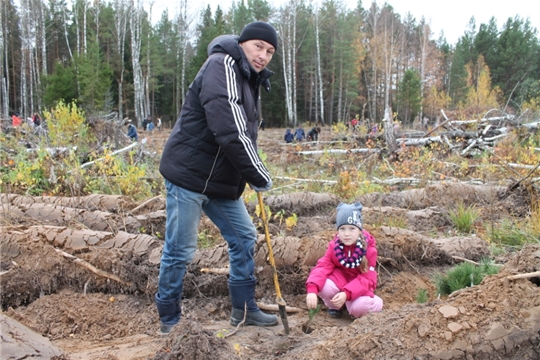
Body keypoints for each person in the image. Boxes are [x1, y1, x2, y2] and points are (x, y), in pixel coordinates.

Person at [157, 21, 279, 335]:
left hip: (220, 181)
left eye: (269, 51)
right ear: (242, 43)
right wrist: (257, 174)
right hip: (188, 174)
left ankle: (244, 309)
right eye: (258, 47)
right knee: (180, 249)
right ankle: (169, 319)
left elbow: (246, 134)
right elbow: (231, 130)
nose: (263, 56)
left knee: (244, 237)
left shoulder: (250, 78)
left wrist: (247, 173)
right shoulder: (222, 64)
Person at [306, 202, 383, 319]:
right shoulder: (334, 246)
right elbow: (322, 267)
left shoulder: (369, 250)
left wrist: (347, 294)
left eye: (352, 228)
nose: (346, 234)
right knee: (323, 285)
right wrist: (312, 289)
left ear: (359, 230)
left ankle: (373, 304)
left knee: (358, 308)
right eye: (342, 229)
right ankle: (335, 306)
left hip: (359, 288)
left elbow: (367, 279)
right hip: (341, 282)